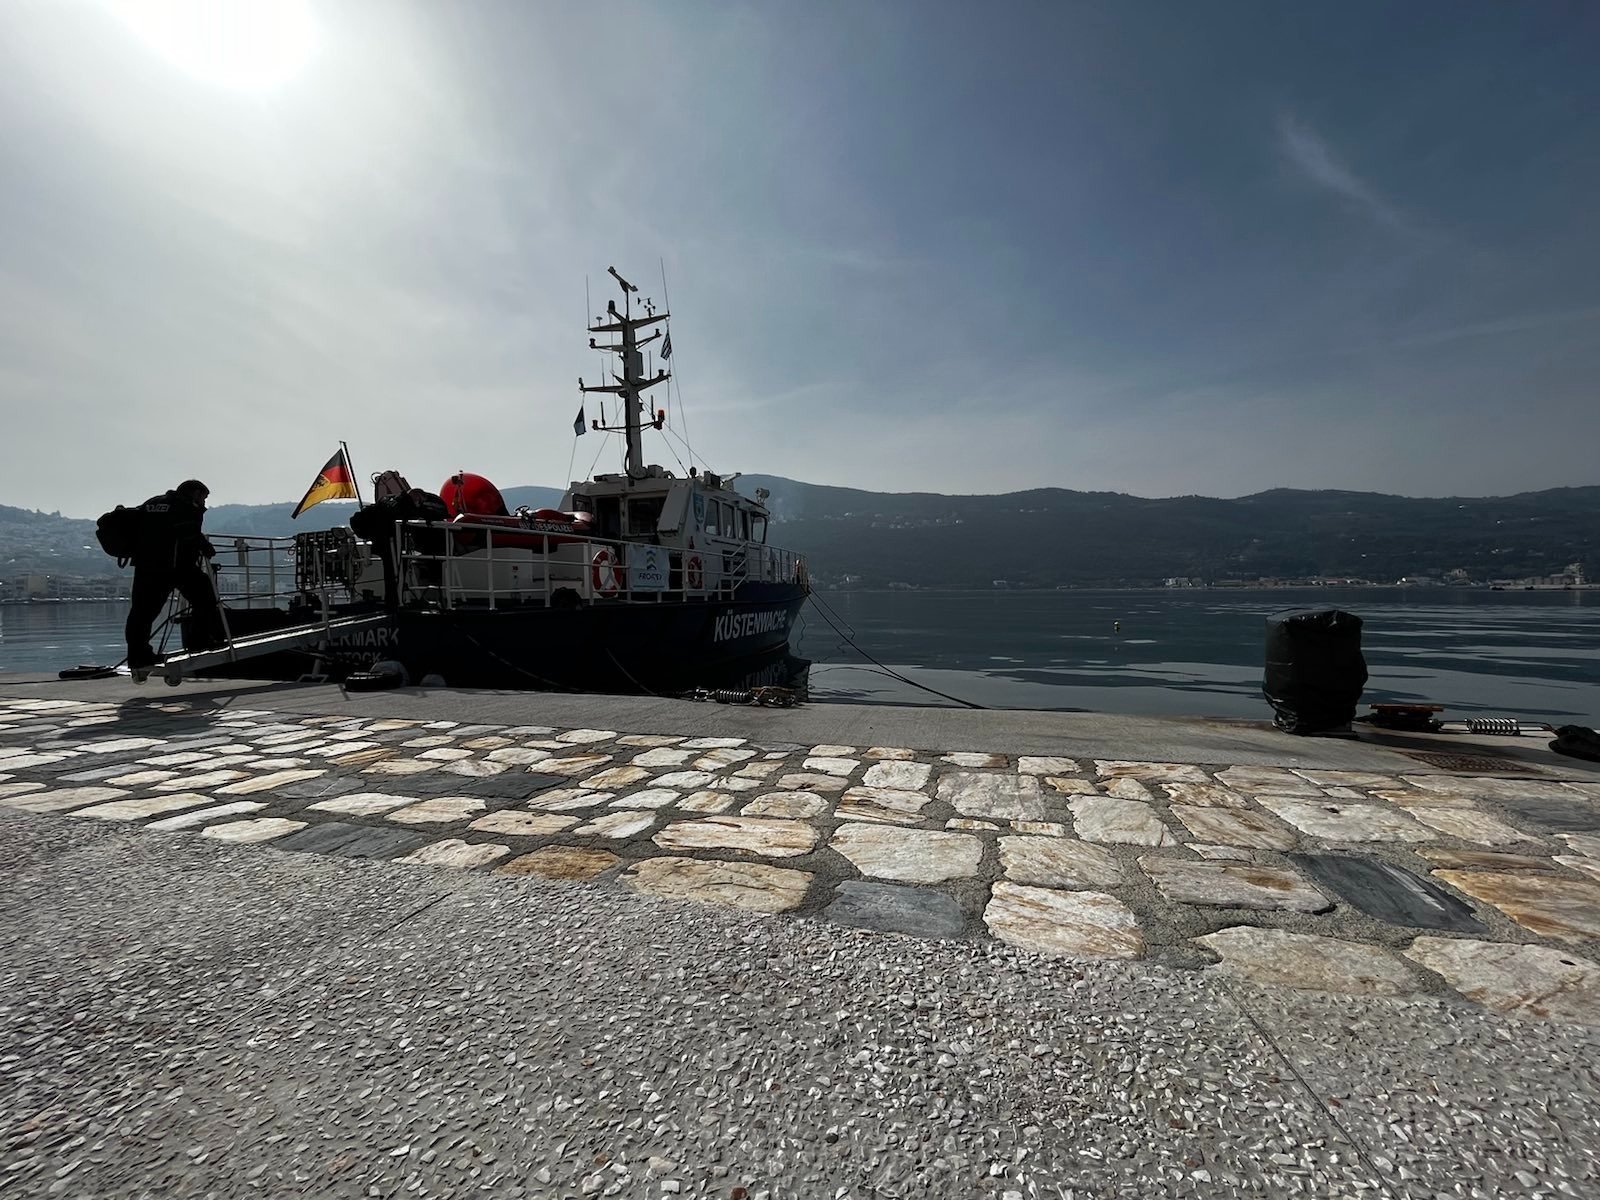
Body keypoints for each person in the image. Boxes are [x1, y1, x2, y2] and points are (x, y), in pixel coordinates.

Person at [124, 479, 226, 669]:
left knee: (141, 613)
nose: (204, 502)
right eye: (204, 497)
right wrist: (205, 547)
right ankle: (200, 642)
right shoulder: (185, 506)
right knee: (205, 596)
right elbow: (189, 532)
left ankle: (137, 656)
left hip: (145, 566)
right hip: (175, 566)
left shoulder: (152, 503)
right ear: (195, 493)